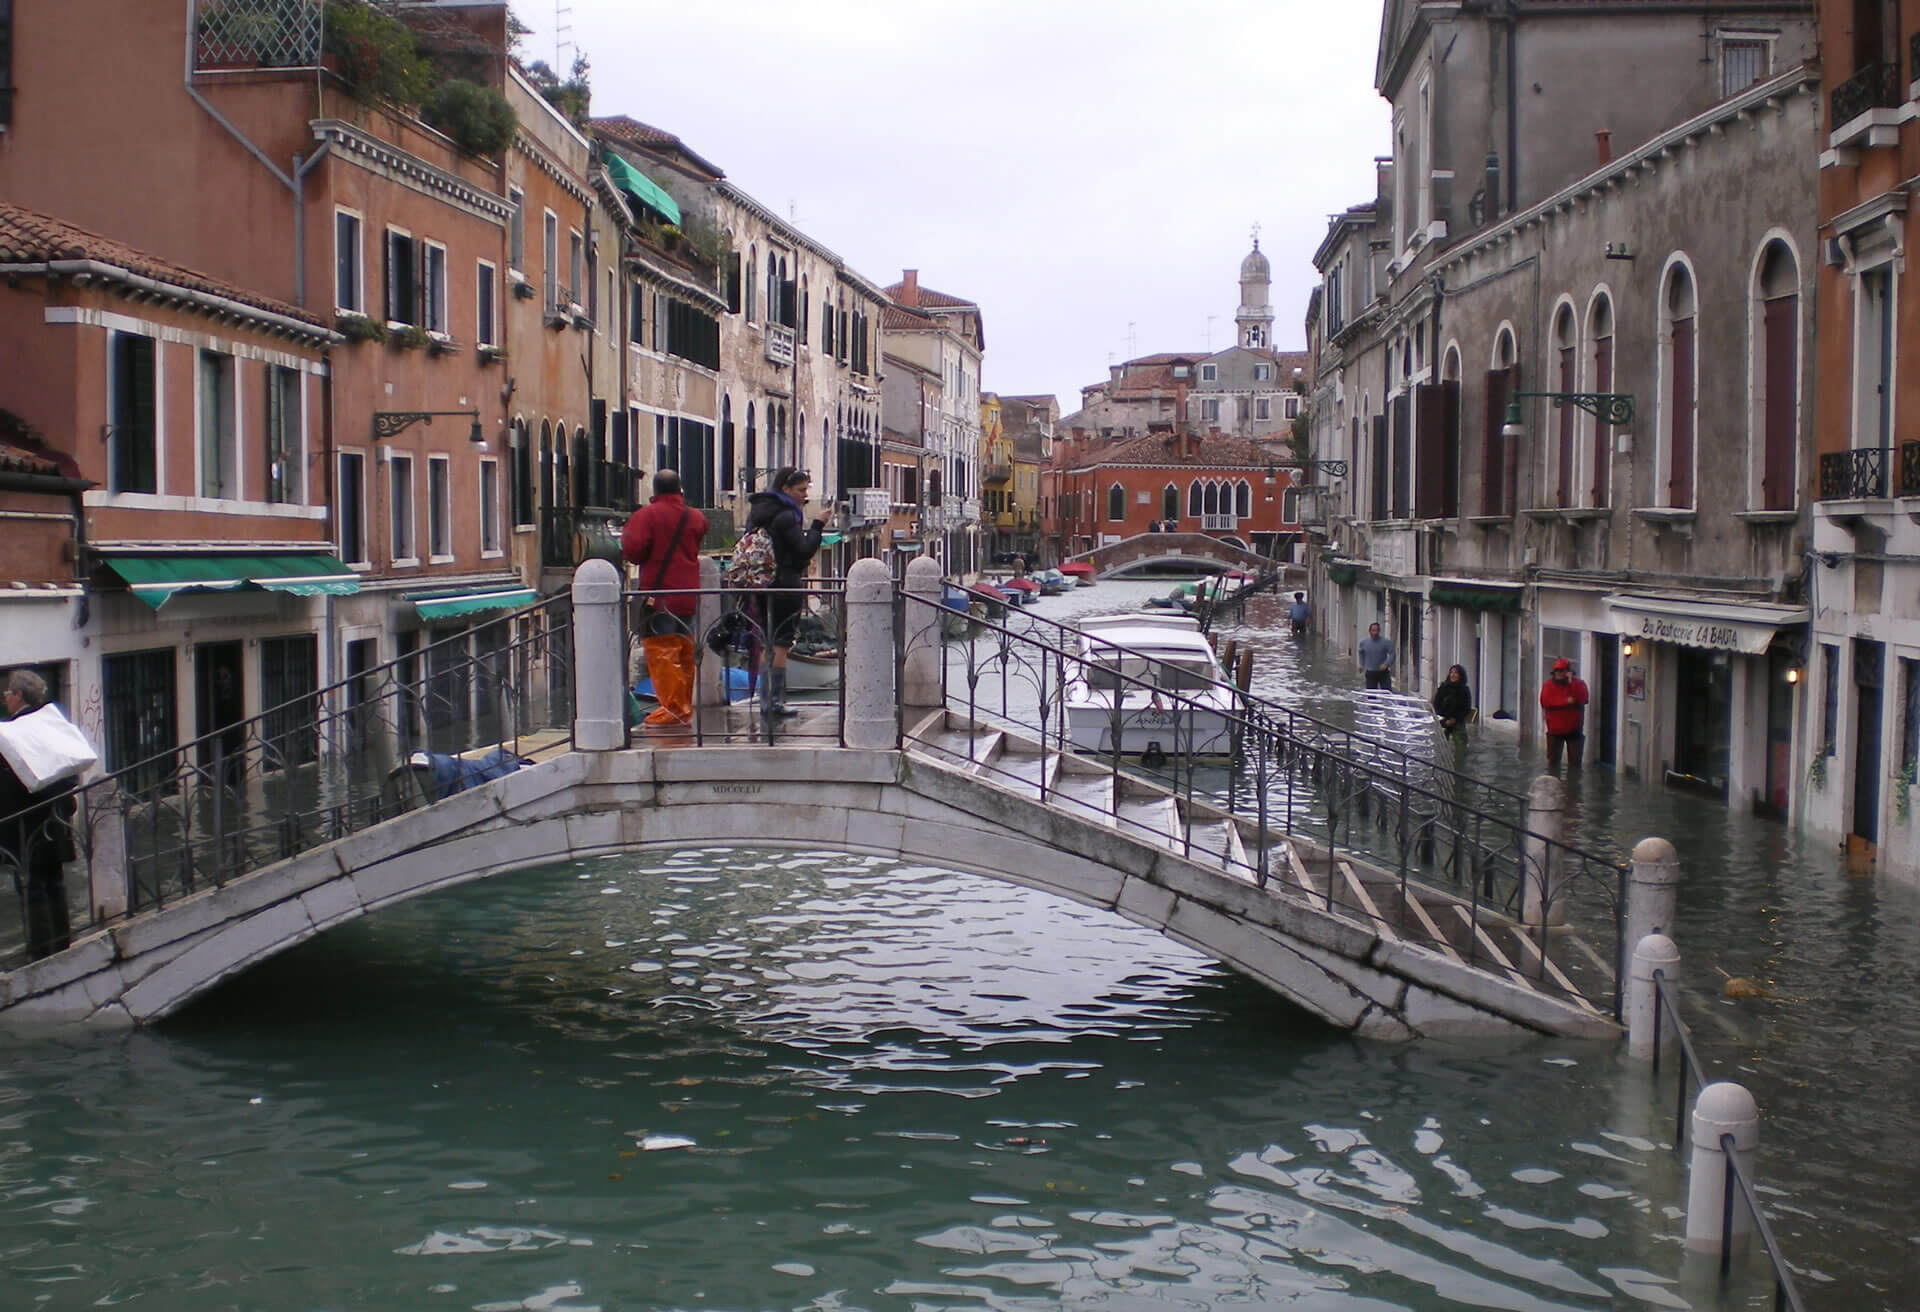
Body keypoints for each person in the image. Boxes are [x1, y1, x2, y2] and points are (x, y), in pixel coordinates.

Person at [0, 670, 79, 961]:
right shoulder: (50, 725)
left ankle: (41, 952)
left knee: (32, 886)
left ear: (19, 695)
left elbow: (9, 782)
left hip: (28, 822)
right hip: (55, 818)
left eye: (8, 692)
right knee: (54, 881)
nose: (5, 697)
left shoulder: (12, 733)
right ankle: (62, 943)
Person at [621, 470, 708, 731]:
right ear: (680, 489)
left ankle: (673, 709)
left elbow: (633, 552)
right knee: (684, 652)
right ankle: (683, 706)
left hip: (659, 596)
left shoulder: (645, 516)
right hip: (688, 595)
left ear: (655, 490)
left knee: (661, 652)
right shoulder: (696, 517)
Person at [744, 467, 825, 717]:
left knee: (767, 642)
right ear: (785, 489)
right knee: (780, 643)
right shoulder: (787, 515)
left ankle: (765, 701)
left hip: (762, 584)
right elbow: (802, 551)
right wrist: (818, 525)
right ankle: (774, 703)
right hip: (784, 584)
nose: (805, 496)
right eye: (801, 490)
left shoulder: (759, 512)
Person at [1540, 657, 1590, 769]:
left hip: (1574, 730)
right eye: (1557, 671)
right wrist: (1566, 701)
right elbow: (1546, 701)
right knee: (1553, 763)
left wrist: (1571, 683)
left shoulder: (1578, 684)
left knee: (1575, 764)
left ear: (1568, 672)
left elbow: (1583, 699)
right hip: (1555, 731)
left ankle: (1573, 785)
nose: (1559, 674)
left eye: (1562, 671)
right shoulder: (1548, 685)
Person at [1432, 664, 1474, 741]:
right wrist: (1442, 718)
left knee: (1460, 743)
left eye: (1456, 673)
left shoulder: (1464, 690)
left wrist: (1454, 719)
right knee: (1440, 744)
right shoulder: (1443, 687)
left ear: (1460, 675)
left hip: (1457, 721)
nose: (1453, 675)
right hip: (1442, 720)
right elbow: (1436, 703)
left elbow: (1466, 708)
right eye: (1451, 672)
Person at [1358, 622, 1394, 691]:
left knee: (1387, 692)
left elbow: (1392, 654)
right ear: (1369, 631)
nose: (1375, 632)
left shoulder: (1385, 642)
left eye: (1377, 630)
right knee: (1371, 694)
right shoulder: (1364, 643)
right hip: (1371, 672)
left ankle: (1387, 701)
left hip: (1383, 672)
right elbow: (1361, 653)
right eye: (1373, 630)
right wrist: (1361, 664)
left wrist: (1386, 664)